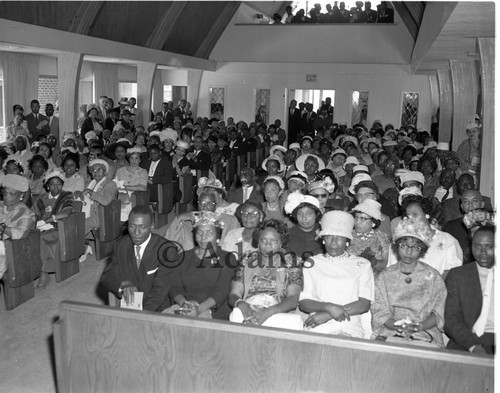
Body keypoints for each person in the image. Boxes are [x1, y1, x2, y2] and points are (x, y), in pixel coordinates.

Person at [371, 217, 447, 348]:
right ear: (396, 246)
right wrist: (396, 325)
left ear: (422, 249)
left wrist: (419, 327)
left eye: (415, 247)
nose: (409, 251)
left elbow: (439, 311)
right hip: (390, 331)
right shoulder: (385, 276)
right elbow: (379, 309)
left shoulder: (433, 276)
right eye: (404, 245)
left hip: (425, 332)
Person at [145, 211, 236, 319]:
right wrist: (184, 304)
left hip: (213, 311)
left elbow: (223, 290)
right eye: (200, 233)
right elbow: (174, 286)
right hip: (184, 307)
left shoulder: (228, 258)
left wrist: (199, 309)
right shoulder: (183, 257)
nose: (203, 238)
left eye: (209, 233)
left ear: (218, 237)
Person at [299, 211, 374, 338]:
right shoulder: (312, 262)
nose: (333, 242)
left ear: (347, 241)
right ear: (323, 240)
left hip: (349, 327)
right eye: (329, 237)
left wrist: (328, 314)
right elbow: (304, 302)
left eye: (339, 238)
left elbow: (364, 304)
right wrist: (327, 307)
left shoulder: (362, 264)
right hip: (317, 326)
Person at [228, 219, 303, 329]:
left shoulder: (291, 261)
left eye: (274, 241)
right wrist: (243, 305)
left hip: (278, 312)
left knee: (293, 322)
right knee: (236, 315)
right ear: (257, 242)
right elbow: (234, 295)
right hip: (249, 309)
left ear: (281, 242)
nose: (268, 245)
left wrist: (267, 312)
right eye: (263, 240)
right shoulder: (246, 259)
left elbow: (293, 299)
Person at [101, 206, 176, 309]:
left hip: (158, 310)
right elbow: (108, 275)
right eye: (132, 226)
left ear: (151, 226)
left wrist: (139, 316)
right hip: (130, 306)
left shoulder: (167, 250)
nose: (136, 233)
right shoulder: (121, 245)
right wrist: (123, 284)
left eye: (142, 227)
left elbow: (159, 293)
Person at [445, 225, 495, 355]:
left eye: (489, 247)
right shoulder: (458, 276)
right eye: (477, 246)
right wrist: (473, 346)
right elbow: (451, 319)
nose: (482, 252)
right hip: (466, 341)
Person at [387, 195, 463, 277]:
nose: (411, 219)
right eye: (407, 216)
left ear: (427, 215)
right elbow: (392, 272)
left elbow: (454, 272)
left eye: (415, 214)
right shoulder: (399, 242)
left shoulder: (447, 240)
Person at [33, 170, 75, 288]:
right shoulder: (42, 198)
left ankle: (44, 273)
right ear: (47, 185)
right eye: (52, 184)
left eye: (59, 184)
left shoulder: (66, 196)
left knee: (42, 238)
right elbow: (32, 213)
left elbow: (67, 212)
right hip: (40, 226)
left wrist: (47, 221)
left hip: (58, 227)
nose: (56, 187)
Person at [78, 159, 118, 261]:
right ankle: (83, 246)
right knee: (69, 224)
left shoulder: (110, 184)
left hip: (101, 216)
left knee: (75, 228)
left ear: (105, 172)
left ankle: (83, 248)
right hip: (87, 213)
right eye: (93, 170)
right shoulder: (90, 184)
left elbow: (105, 201)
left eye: (100, 170)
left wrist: (90, 193)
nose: (96, 172)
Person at [0, 175, 36, 280]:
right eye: (5, 192)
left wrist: (3, 229)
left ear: (21, 195)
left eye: (12, 194)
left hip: (11, 250)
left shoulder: (25, 213)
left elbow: (20, 234)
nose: (7, 196)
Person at [348, 199, 390, 276]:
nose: (357, 222)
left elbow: (385, 264)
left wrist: (374, 262)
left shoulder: (381, 238)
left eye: (363, 219)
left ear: (373, 222)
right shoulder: (348, 235)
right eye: (356, 217)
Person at [284, 193, 323, 262]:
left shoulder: (324, 233)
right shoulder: (288, 234)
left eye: (308, 213)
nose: (304, 217)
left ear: (316, 214)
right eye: (300, 213)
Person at [114, 147, 148, 222]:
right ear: (128, 159)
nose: (134, 161)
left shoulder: (143, 171)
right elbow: (114, 184)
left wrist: (125, 187)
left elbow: (143, 187)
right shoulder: (120, 170)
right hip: (119, 194)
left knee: (123, 213)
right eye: (132, 158)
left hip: (133, 196)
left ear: (140, 160)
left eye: (136, 158)